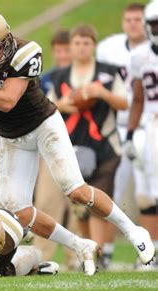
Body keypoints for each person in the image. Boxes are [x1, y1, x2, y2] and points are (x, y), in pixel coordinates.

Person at [0, 8, 155, 270]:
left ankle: (134, 231)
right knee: (20, 209)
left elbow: (8, 101)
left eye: (0, 46)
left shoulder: (25, 52)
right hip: (12, 137)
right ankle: (81, 245)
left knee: (75, 189)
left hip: (43, 124)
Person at [48, 24, 128, 269]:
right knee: (79, 205)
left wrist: (101, 94)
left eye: (86, 43)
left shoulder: (108, 73)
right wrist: (61, 104)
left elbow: (124, 103)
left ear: (94, 45)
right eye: (77, 43)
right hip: (73, 146)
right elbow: (47, 107)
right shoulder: (60, 75)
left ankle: (99, 254)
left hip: (104, 145)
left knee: (99, 202)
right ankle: (87, 251)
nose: (81, 48)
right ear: (70, 46)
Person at [96, 2, 150, 267]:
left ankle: (150, 253)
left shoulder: (151, 52)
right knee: (111, 190)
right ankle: (104, 252)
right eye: (128, 19)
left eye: (138, 20)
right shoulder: (109, 48)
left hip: (147, 126)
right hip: (116, 127)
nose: (133, 24)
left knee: (148, 193)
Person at [33, 29, 78, 270]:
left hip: (80, 148)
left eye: (66, 49)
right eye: (58, 50)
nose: (62, 54)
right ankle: (42, 255)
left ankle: (78, 256)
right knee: (47, 203)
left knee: (78, 208)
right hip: (50, 150)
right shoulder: (46, 79)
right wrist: (59, 105)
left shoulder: (84, 77)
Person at [127, 0, 158, 270]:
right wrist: (129, 133)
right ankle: (152, 254)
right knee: (148, 194)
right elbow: (137, 98)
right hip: (151, 126)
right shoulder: (139, 55)